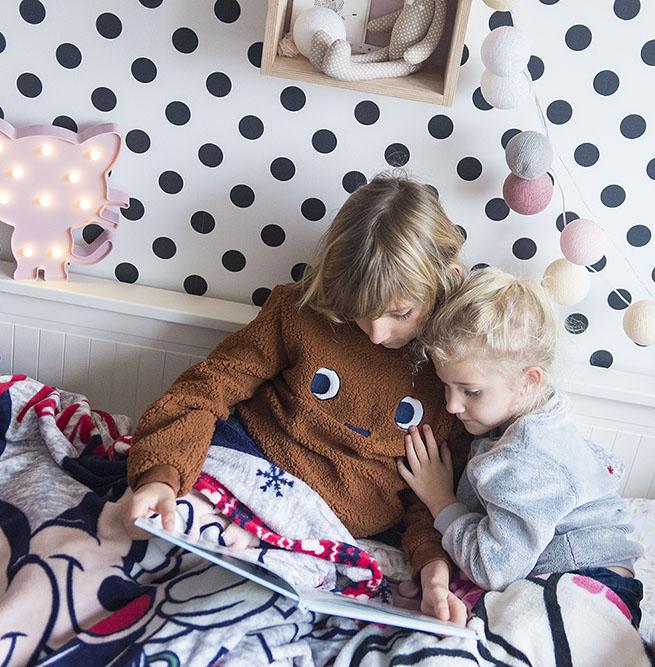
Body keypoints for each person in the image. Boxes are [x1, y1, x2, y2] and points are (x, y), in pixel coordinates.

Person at [125, 174, 470, 624]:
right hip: (245, 470)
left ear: (447, 280)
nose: (376, 333)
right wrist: (160, 476)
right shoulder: (298, 312)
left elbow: (429, 499)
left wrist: (433, 572)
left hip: (339, 530)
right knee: (149, 542)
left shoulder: (455, 371)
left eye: (400, 313)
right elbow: (207, 388)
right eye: (359, 313)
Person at [398, 267, 645, 627]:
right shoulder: (537, 416)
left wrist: (441, 501)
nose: (451, 405)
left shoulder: (524, 457)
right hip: (594, 579)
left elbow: (494, 568)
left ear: (528, 381)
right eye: (445, 387)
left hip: (590, 586)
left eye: (471, 391)